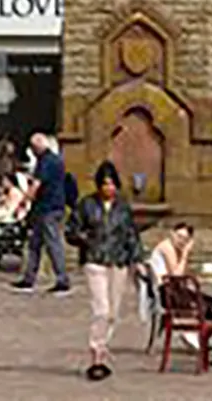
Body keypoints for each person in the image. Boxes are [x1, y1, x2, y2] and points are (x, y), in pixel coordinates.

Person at [72, 161, 142, 382]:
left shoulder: (123, 207)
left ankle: (103, 346)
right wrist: (86, 240)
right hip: (95, 259)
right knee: (100, 309)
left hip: (118, 261)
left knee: (113, 312)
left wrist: (137, 259)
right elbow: (71, 229)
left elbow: (132, 234)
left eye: (111, 184)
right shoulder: (87, 205)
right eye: (104, 184)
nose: (108, 188)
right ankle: (96, 355)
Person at [12, 132, 72, 295]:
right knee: (35, 243)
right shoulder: (57, 160)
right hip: (49, 207)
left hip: (48, 208)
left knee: (52, 244)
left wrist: (24, 201)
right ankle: (29, 278)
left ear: (37, 146)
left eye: (32, 147)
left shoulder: (46, 161)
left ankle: (62, 279)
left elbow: (37, 184)